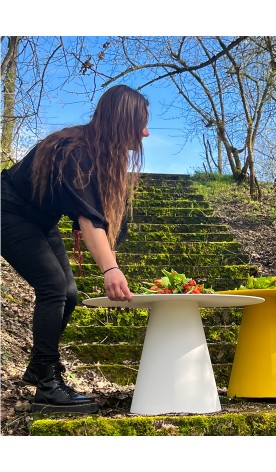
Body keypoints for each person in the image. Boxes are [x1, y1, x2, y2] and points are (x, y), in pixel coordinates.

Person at [1, 84, 150, 414]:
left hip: (41, 219)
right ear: (122, 121)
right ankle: (47, 386)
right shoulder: (75, 150)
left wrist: (112, 258)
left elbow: (104, 218)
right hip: (9, 211)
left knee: (68, 292)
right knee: (54, 287)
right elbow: (88, 218)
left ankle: (41, 368)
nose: (146, 132)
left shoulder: (102, 154)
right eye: (141, 123)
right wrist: (110, 269)